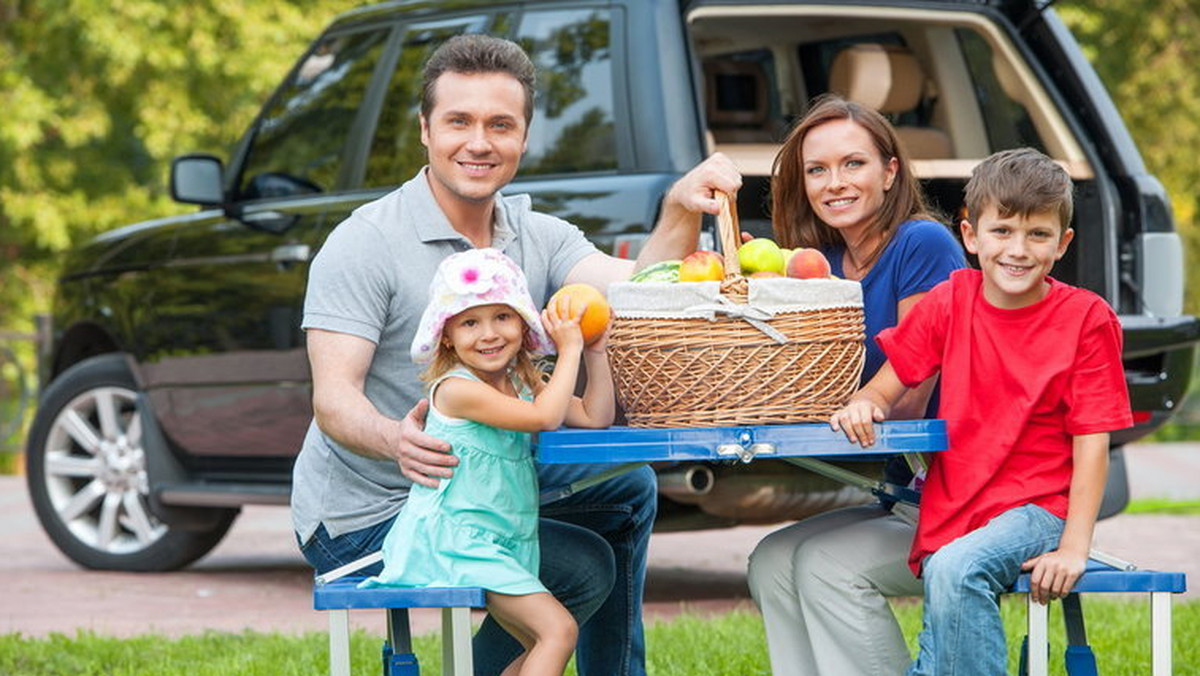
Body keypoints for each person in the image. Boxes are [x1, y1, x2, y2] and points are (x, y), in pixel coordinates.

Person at [291, 34, 739, 676]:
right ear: (425, 130)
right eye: (459, 122)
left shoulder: (537, 234)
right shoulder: (365, 242)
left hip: (479, 491)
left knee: (626, 487)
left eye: (501, 124)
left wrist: (676, 206)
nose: (480, 142)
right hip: (373, 513)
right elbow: (333, 399)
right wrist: (396, 439)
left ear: (523, 138)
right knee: (583, 569)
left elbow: (642, 290)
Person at [830, 147, 1133, 675]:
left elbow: (1093, 442)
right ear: (971, 236)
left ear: (1061, 244)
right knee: (944, 616)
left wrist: (1074, 548)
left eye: (1037, 235)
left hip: (1040, 510)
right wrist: (864, 404)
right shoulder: (951, 300)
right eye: (1002, 232)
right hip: (956, 512)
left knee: (957, 567)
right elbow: (883, 389)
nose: (1018, 250)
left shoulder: (1086, 318)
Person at [746, 94, 965, 676]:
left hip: (960, 503)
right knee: (770, 560)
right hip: (905, 497)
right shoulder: (823, 263)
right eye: (817, 170)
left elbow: (912, 394)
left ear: (891, 171)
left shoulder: (922, 244)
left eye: (853, 164)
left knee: (824, 564)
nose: (834, 183)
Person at [361, 248, 615, 676]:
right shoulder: (457, 390)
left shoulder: (519, 380)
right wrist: (567, 350)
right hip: (455, 541)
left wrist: (594, 351)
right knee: (558, 631)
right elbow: (545, 418)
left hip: (499, 539)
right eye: (470, 322)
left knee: (536, 642)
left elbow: (595, 416)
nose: (489, 334)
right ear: (447, 336)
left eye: (502, 316)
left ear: (521, 322)